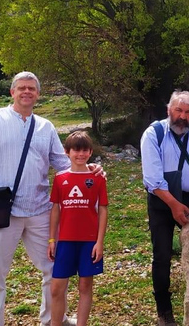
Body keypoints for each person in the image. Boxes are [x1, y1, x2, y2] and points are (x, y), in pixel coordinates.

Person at [0, 71, 102, 326]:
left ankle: (53, 317)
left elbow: (61, 162)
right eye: (21, 88)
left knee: (54, 268)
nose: (26, 92)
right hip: (1, 210)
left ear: (38, 94)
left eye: (31, 89)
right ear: (12, 92)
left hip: (39, 208)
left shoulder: (45, 126)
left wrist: (91, 170)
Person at [141, 90, 189, 326]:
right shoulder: (153, 134)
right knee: (162, 254)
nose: (182, 117)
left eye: (187, 112)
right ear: (168, 110)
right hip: (163, 201)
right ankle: (164, 311)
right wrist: (174, 205)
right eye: (178, 110)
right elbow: (152, 179)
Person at [48, 131, 108, 326]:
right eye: (76, 150)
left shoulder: (98, 178)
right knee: (57, 287)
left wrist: (99, 242)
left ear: (90, 152)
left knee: (85, 285)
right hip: (65, 240)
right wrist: (52, 239)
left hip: (89, 241)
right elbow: (56, 209)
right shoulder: (60, 178)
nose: (80, 154)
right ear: (67, 152)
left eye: (84, 150)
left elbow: (103, 209)